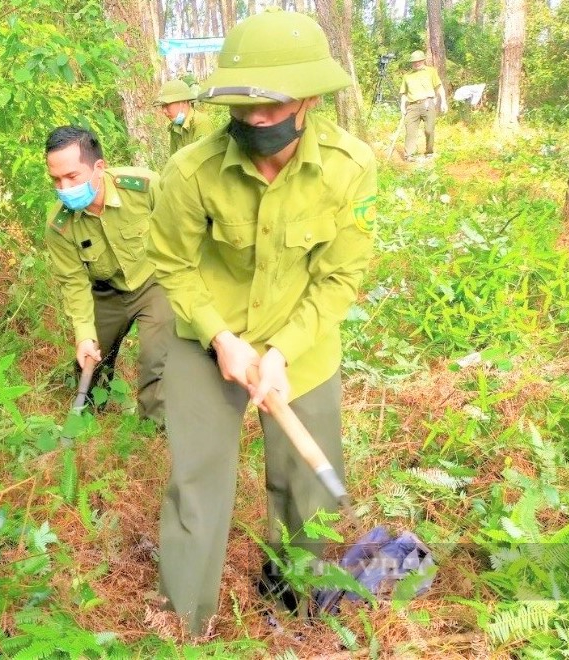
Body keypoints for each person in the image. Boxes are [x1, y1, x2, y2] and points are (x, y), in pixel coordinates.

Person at [148, 10, 377, 636]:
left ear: (307, 98)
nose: (253, 121)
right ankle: (184, 625)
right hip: (207, 340)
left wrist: (281, 352)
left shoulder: (349, 168)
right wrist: (221, 337)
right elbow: (171, 262)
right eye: (242, 107)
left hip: (302, 346)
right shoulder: (190, 172)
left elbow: (339, 277)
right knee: (197, 483)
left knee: (308, 488)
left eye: (269, 108)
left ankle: (296, 599)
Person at [43, 126, 174, 425]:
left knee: (156, 359)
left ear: (98, 167)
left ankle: (153, 429)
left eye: (72, 177)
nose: (64, 188)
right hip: (105, 291)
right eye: (56, 179)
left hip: (153, 283)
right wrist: (84, 337)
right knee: (88, 363)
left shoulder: (143, 187)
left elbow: (179, 231)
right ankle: (90, 420)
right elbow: (74, 285)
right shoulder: (59, 226)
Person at [399, 50, 448, 161]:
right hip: (412, 106)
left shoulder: (431, 72)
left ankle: (429, 152)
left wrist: (443, 101)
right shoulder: (407, 76)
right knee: (410, 131)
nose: (416, 63)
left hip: (428, 104)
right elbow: (404, 93)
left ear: (423, 60)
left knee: (429, 130)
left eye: (419, 61)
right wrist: (402, 106)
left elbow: (439, 87)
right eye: (414, 62)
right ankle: (409, 155)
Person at [153, 79, 215, 156]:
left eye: (167, 105)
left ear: (184, 102)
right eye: (162, 106)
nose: (164, 110)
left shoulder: (201, 123)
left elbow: (206, 161)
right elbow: (173, 159)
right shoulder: (175, 126)